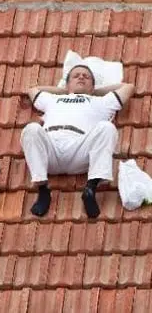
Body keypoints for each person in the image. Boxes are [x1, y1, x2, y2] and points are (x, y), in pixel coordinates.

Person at [22, 64, 134, 219]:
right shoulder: (53, 100)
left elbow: (128, 87)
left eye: (86, 76)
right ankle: (42, 190)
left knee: (107, 128)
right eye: (76, 76)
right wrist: (67, 91)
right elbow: (32, 90)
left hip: (80, 151)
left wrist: (93, 91)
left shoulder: (101, 102)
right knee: (31, 129)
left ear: (93, 85)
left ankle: (90, 189)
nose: (81, 77)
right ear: (67, 84)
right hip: (50, 152)